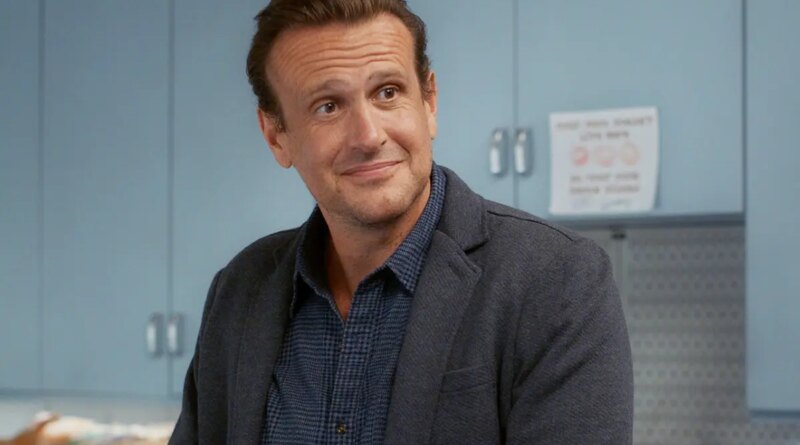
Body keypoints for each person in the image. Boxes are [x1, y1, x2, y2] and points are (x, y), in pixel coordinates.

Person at [169, 0, 633, 443]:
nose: (369, 136)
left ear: (429, 102)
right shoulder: (240, 289)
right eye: (328, 106)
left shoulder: (556, 280)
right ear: (276, 136)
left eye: (387, 92)